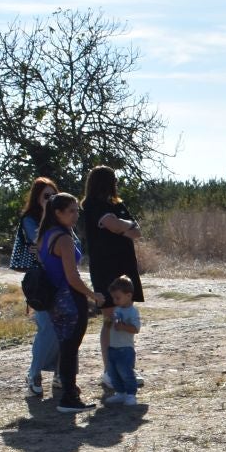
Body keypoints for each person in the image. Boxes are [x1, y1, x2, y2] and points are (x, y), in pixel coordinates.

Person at [39, 191, 105, 414]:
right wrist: (92, 295)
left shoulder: (46, 235)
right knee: (70, 348)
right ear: (58, 213)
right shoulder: (65, 239)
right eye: (71, 211)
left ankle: (69, 392)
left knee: (66, 347)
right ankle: (68, 397)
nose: (76, 214)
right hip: (69, 300)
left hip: (55, 301)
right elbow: (72, 276)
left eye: (77, 210)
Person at [80, 167, 141, 396]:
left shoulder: (117, 204)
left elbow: (136, 231)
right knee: (109, 317)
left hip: (123, 265)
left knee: (125, 314)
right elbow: (114, 225)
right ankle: (109, 370)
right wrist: (124, 226)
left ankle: (126, 367)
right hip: (105, 266)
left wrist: (121, 225)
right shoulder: (92, 206)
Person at [10, 177, 59, 398]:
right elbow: (41, 242)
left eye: (53, 196)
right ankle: (34, 374)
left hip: (59, 277)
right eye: (46, 196)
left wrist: (46, 247)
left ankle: (60, 373)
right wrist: (47, 246)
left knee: (63, 327)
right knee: (46, 326)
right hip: (40, 281)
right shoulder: (30, 219)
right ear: (37, 198)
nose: (50, 200)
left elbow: (73, 245)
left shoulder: (62, 216)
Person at [102, 275, 141, 404]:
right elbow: (108, 325)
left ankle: (131, 394)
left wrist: (123, 326)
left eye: (117, 298)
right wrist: (108, 321)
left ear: (128, 296)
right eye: (113, 298)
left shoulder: (133, 311)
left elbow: (136, 329)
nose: (114, 300)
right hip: (113, 347)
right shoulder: (117, 309)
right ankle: (120, 393)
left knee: (125, 372)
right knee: (113, 372)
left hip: (125, 348)